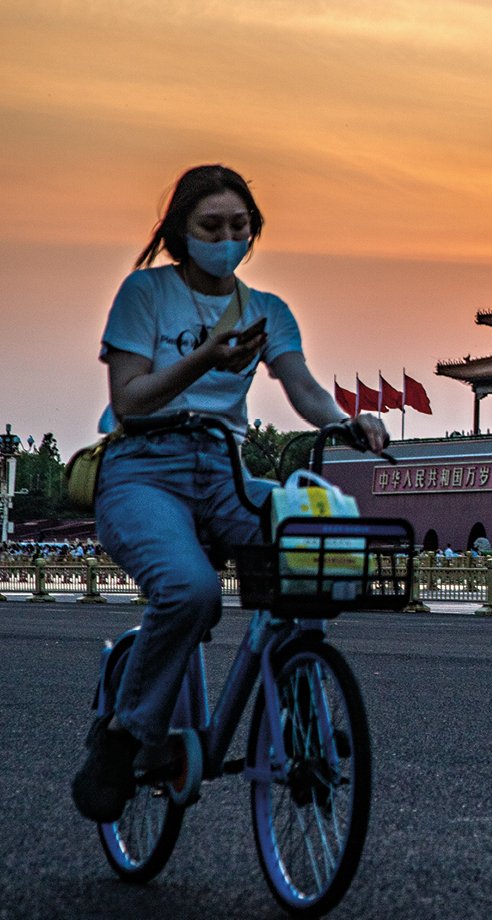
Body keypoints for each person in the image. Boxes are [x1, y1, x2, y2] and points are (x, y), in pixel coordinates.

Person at [71, 164, 389, 822]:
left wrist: (344, 422)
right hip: (142, 467)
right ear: (180, 234)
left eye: (239, 227)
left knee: (313, 549)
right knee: (190, 591)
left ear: (254, 232)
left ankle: (300, 700)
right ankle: (124, 735)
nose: (227, 238)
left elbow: (301, 388)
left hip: (223, 469)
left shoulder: (267, 310)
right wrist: (205, 358)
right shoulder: (144, 295)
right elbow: (127, 401)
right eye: (211, 226)